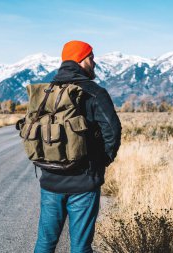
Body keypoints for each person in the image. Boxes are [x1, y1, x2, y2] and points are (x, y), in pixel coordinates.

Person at [34, 40, 122, 253]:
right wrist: (102, 162)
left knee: (45, 243)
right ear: (81, 59)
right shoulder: (94, 92)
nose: (94, 62)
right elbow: (113, 130)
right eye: (91, 57)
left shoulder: (47, 91)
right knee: (81, 246)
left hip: (50, 179)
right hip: (84, 182)